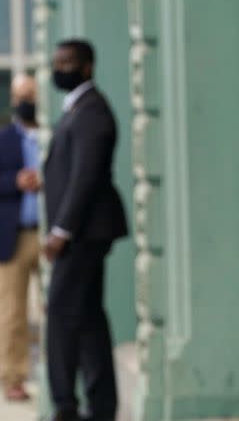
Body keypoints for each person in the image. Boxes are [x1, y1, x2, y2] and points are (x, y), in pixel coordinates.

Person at [43, 39, 128, 421]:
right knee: (89, 317)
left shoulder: (92, 109)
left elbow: (86, 177)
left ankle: (65, 407)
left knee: (61, 313)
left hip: (82, 234)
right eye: (57, 62)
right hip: (83, 233)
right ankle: (101, 406)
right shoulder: (77, 108)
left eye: (68, 62)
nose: (60, 68)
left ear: (87, 67)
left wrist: (61, 230)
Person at [0, 74, 41, 402]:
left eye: (32, 93)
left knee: (58, 307)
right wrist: (15, 180)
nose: (27, 99)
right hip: (15, 236)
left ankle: (61, 375)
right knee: (12, 311)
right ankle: (14, 377)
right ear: (13, 99)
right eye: (21, 95)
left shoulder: (52, 135)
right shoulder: (4, 139)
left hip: (52, 233)